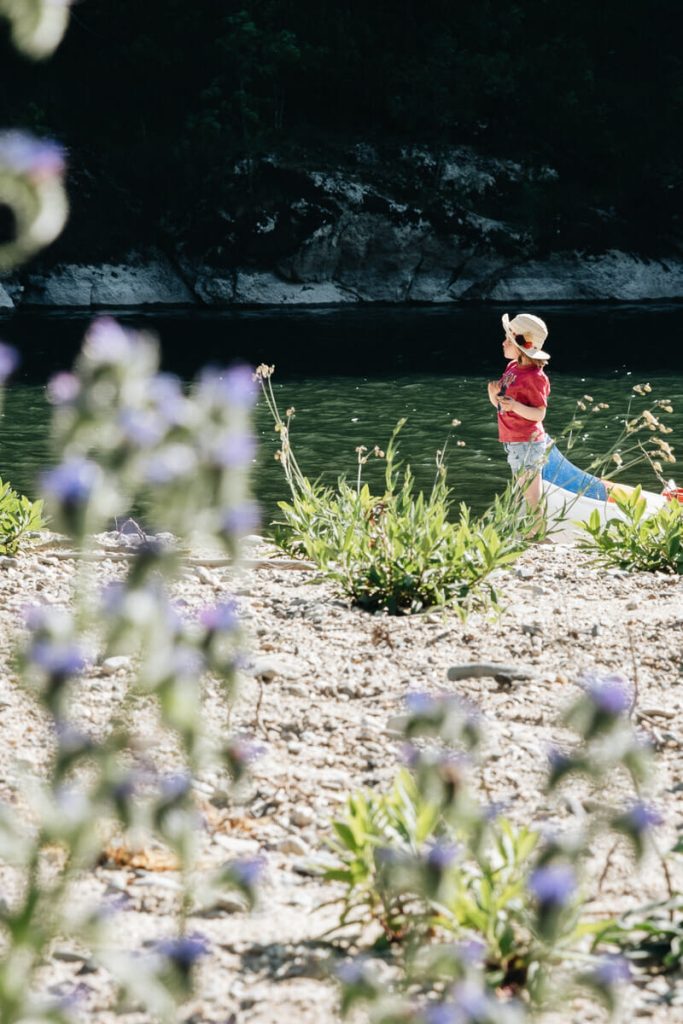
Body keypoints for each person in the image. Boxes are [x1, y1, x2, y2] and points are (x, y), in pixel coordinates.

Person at [487, 312, 550, 512]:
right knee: (521, 491)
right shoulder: (512, 368)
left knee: (532, 496)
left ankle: (537, 536)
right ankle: (527, 531)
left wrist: (514, 406)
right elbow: (503, 408)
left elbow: (539, 414)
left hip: (527, 442)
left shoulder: (535, 377)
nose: (503, 343)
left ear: (522, 349)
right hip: (514, 441)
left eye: (509, 340)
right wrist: (493, 395)